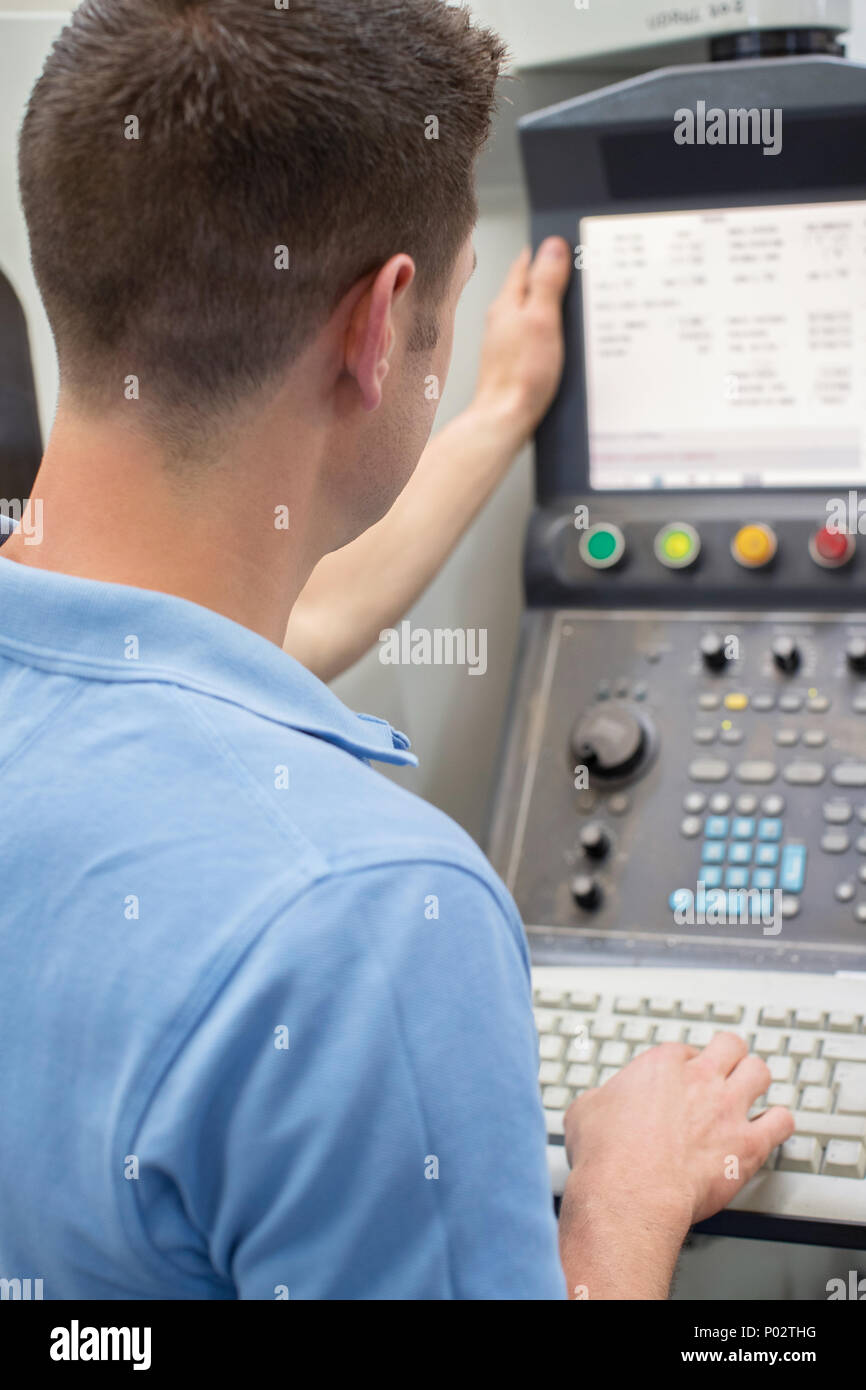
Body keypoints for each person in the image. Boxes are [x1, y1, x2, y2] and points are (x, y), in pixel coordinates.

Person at [0, 0, 793, 1301]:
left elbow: (224, 642)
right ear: (380, 324)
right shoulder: (364, 917)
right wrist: (619, 1215)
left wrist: (490, 414)